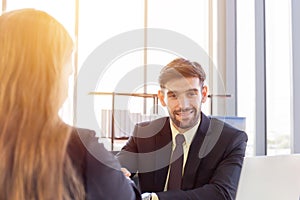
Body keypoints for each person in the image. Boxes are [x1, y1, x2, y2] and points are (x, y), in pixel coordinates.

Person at [0, 8, 140, 200]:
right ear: (51, 77)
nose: (70, 75)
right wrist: (115, 177)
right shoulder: (81, 148)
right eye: (67, 70)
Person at [116, 58, 248, 200]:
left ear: (203, 94)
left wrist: (154, 198)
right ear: (162, 98)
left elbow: (222, 193)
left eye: (191, 94)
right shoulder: (144, 133)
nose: (183, 105)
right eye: (173, 95)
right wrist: (116, 172)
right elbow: (117, 165)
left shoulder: (230, 139)